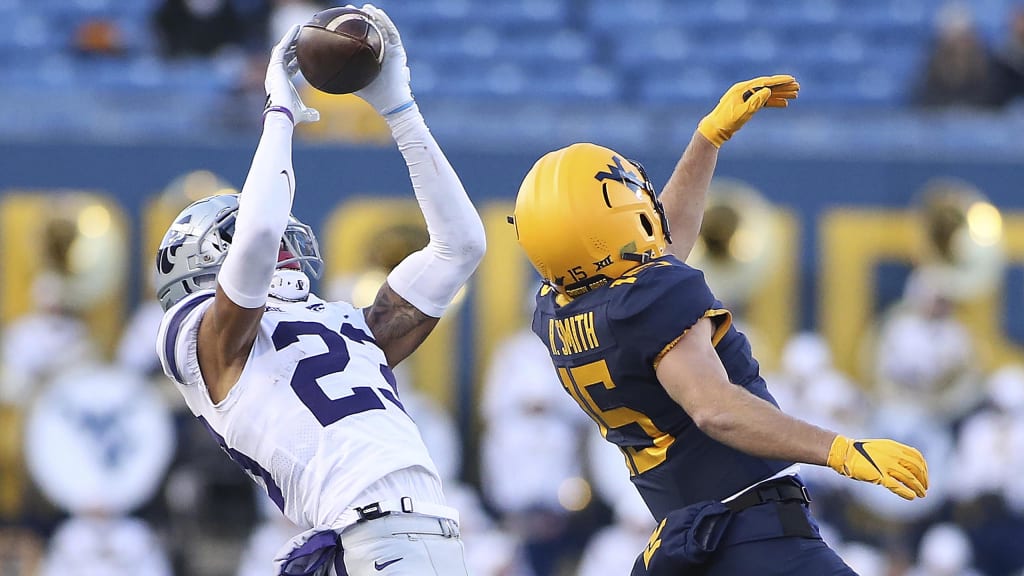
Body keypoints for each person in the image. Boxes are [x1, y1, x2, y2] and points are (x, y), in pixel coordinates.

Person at [509, 75, 929, 575]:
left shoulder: (556, 310)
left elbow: (657, 248)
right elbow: (714, 409)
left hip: (683, 541)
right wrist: (839, 450)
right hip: (750, 535)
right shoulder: (652, 298)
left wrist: (707, 139)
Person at [153, 6, 486, 576]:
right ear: (204, 264)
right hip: (375, 539)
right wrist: (279, 107)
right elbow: (257, 232)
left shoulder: (347, 327)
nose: (284, 245)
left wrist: (399, 107)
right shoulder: (201, 339)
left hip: (402, 536)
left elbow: (461, 247)